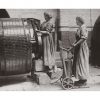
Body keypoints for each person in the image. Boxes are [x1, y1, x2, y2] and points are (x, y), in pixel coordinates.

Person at [71, 17, 89, 86]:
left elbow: (83, 38)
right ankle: (81, 79)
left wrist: (76, 44)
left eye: (76, 20)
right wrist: (74, 43)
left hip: (82, 47)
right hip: (78, 47)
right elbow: (78, 38)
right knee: (78, 62)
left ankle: (84, 80)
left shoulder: (83, 27)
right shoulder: (79, 28)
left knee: (82, 62)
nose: (76, 21)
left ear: (79, 21)